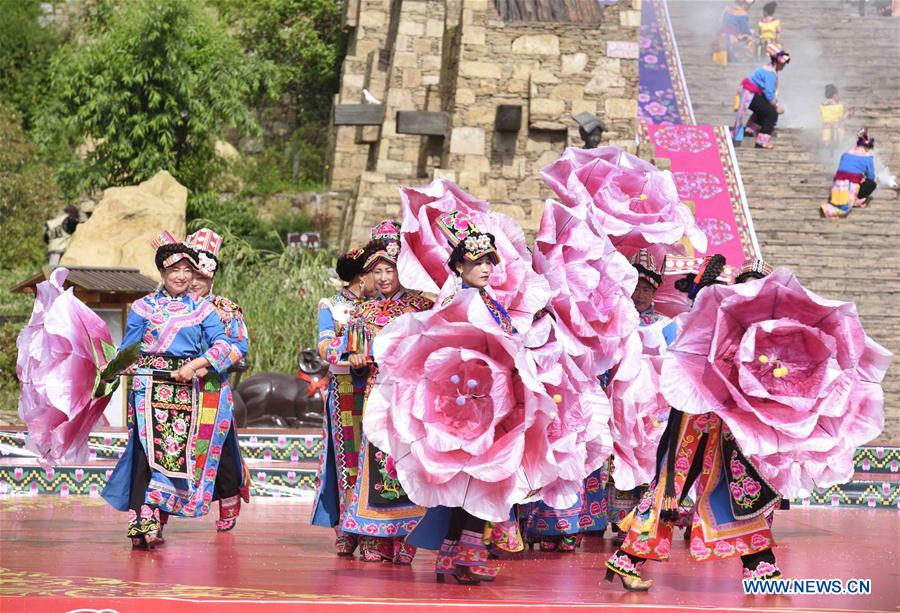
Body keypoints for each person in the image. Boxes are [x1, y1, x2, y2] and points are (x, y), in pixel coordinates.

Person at [605, 255, 782, 591]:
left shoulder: (768, 333)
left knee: (735, 488)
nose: (750, 294)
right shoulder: (716, 321)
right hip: (694, 415)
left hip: (728, 423)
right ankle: (629, 558)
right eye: (744, 287)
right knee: (671, 488)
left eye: (758, 289)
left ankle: (760, 566)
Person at [101, 231, 237, 549]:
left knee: (171, 452)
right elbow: (129, 348)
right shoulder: (142, 307)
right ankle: (143, 514)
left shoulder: (203, 310)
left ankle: (152, 513)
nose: (181, 276)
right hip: (147, 385)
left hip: (183, 386)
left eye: (187, 270)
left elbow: (224, 346)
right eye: (175, 270)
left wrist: (194, 366)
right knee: (147, 450)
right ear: (162, 272)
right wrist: (113, 370)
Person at [407, 211, 519, 584]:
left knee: (471, 478)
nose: (485, 267)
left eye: (489, 260)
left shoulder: (485, 299)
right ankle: (466, 554)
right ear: (458, 265)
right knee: (476, 478)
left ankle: (452, 552)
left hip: (486, 398)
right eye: (476, 261)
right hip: (466, 402)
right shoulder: (459, 301)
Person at [338, 220, 434, 564]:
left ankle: (408, 536)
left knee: (410, 460)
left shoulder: (423, 308)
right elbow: (352, 356)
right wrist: (358, 359)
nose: (382, 278)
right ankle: (377, 534)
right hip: (378, 392)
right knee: (378, 459)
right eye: (376, 271)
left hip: (412, 394)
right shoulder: (362, 312)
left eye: (389, 269)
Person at [606, 249, 679, 547]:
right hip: (621, 400)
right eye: (636, 286)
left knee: (649, 459)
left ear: (656, 290)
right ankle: (622, 521)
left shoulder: (665, 324)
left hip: (655, 405)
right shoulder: (614, 318)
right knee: (622, 457)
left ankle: (644, 519)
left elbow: (677, 363)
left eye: (647, 288)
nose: (640, 293)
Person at [184, 228, 252, 532]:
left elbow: (239, 346)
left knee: (220, 446)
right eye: (191, 274)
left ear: (212, 277)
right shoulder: (169, 305)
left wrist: (208, 364)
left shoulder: (226, 309)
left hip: (212, 388)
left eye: (202, 276)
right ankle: (157, 510)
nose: (196, 281)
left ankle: (227, 497)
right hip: (174, 387)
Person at [310, 246, 376, 556]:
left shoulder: (382, 306)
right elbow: (324, 345)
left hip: (380, 387)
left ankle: (377, 525)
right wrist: (351, 355)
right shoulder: (333, 306)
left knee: (378, 458)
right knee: (349, 460)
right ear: (362, 278)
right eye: (375, 272)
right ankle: (349, 527)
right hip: (346, 389)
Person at [732, 43, 791, 149]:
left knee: (765, 108)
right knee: (772, 113)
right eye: (783, 63)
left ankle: (751, 129)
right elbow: (769, 95)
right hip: (749, 94)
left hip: (749, 93)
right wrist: (777, 106)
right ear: (777, 61)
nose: (784, 65)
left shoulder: (769, 69)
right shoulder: (770, 73)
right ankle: (762, 141)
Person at [820, 128, 878, 218]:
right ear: (868, 147)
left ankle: (849, 199)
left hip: (837, 185)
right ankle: (854, 200)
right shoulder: (867, 158)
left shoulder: (846, 154)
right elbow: (871, 177)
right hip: (850, 185)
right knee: (871, 184)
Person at [713, 0, 755, 65]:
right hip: (733, 40)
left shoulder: (726, 10)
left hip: (722, 36)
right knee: (751, 39)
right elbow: (745, 31)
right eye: (749, 5)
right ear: (745, 4)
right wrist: (750, 34)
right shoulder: (743, 14)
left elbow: (720, 23)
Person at [819, 84, 847, 154]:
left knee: (827, 153)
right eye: (837, 95)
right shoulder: (840, 106)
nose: (838, 97)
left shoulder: (821, 106)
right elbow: (842, 119)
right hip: (838, 133)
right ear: (834, 95)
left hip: (826, 133)